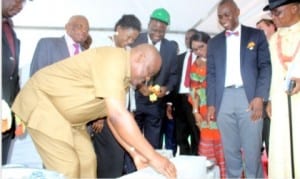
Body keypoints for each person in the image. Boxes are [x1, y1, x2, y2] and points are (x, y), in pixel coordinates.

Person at [11, 44, 177, 178]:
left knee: (88, 161)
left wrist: (134, 152)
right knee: (68, 168)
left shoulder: (123, 82)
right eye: (148, 72)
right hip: (44, 105)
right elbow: (118, 116)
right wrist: (154, 157)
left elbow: (112, 119)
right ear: (140, 58)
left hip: (70, 121)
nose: (147, 79)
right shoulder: (113, 60)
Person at [206, 0, 272, 178]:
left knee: (252, 153)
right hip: (223, 101)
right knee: (230, 153)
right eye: (220, 16)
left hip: (249, 98)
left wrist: (260, 96)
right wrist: (211, 103)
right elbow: (210, 74)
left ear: (237, 11)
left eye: (227, 14)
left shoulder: (256, 35)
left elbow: (265, 67)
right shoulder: (213, 43)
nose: (223, 19)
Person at [124, 8, 178, 173]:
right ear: (148, 25)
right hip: (134, 101)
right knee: (131, 138)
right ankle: (131, 172)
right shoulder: (134, 41)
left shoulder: (170, 48)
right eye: (154, 29)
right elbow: (125, 68)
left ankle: (149, 173)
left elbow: (174, 75)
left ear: (166, 30)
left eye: (162, 30)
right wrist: (140, 87)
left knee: (152, 142)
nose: (157, 33)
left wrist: (166, 89)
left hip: (156, 106)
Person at [90, 14, 142, 178]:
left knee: (118, 156)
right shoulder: (101, 46)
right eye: (128, 37)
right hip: (103, 115)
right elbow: (95, 81)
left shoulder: (128, 53)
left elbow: (130, 86)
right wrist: (99, 115)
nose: (129, 42)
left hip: (121, 112)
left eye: (133, 39)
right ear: (118, 29)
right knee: (108, 157)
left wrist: (131, 109)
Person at [262, 0, 300, 178]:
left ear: (295, 8)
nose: (274, 18)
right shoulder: (274, 39)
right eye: (272, 14)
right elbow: (273, 72)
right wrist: (269, 98)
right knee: (281, 148)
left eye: (278, 13)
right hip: (280, 103)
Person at [188, 31, 226, 179]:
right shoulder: (195, 65)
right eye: (195, 49)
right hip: (204, 113)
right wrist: (195, 111)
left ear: (209, 43)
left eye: (201, 47)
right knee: (207, 154)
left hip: (222, 109)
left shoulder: (222, 59)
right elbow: (194, 91)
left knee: (225, 151)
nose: (198, 51)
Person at [2, 0, 25, 165]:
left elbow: (13, 76)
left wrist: (18, 110)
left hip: (6, 116)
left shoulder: (9, 30)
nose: (20, 7)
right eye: (18, 1)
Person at [172, 28, 200, 155]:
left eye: (191, 38)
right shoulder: (179, 58)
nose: (188, 40)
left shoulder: (202, 58)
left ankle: (196, 160)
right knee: (180, 135)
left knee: (196, 133)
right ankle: (185, 160)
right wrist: (169, 104)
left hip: (196, 99)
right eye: (186, 38)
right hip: (179, 100)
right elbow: (174, 80)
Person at [256, 18, 277, 156]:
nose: (257, 32)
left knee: (273, 139)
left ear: (272, 27)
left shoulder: (279, 44)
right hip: (260, 100)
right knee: (258, 139)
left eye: (261, 28)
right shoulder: (259, 49)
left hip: (276, 99)